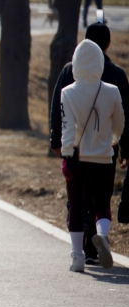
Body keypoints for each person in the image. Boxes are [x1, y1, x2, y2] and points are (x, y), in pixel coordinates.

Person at [49, 22, 129, 264]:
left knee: (76, 203)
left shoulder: (68, 76)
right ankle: (99, 239)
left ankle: (78, 253)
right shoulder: (115, 78)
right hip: (105, 152)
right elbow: (124, 118)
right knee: (101, 202)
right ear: (107, 43)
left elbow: (58, 113)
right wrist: (121, 144)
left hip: (76, 152)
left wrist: (59, 144)